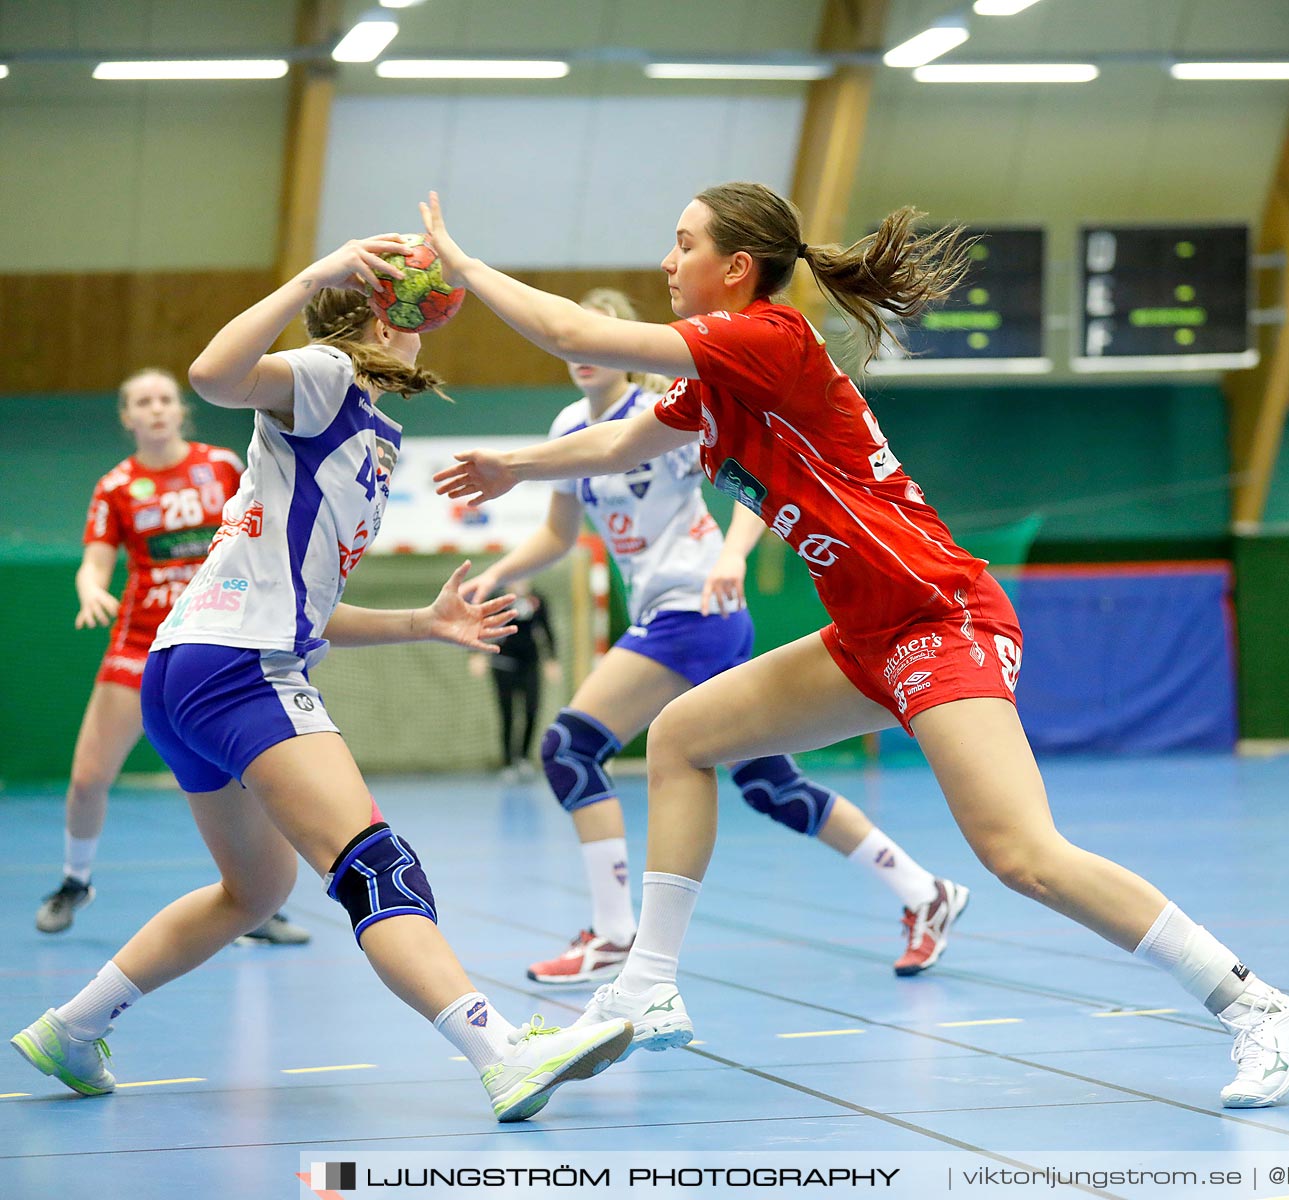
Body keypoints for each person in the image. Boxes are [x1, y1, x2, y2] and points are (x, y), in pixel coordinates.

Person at [425, 183, 1289, 1108]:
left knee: (1021, 854)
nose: (667, 260)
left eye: (681, 242)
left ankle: (1258, 1007)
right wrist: (515, 466)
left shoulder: (766, 340)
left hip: (942, 618)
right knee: (679, 739)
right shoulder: (717, 385)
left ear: (735, 270)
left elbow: (574, 336)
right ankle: (646, 984)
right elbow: (619, 443)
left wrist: (460, 265)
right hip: (867, 635)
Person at [10, 239, 631, 1121]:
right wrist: (311, 278)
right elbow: (214, 375)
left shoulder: (370, 425)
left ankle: (71, 1029)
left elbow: (305, 600)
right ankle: (501, 1053)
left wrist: (421, 623)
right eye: (413, 314)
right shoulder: (328, 376)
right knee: (375, 864)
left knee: (255, 890)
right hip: (237, 670)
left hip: (192, 667)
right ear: (387, 318)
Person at [465, 287, 969, 986]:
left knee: (570, 747)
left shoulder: (658, 413)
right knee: (767, 783)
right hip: (671, 615)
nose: (583, 358)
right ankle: (925, 892)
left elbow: (751, 485)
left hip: (695, 609)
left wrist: (732, 556)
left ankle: (614, 934)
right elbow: (557, 535)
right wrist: (492, 576)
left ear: (618, 347)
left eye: (599, 338)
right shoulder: (565, 425)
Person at [37, 367, 309, 948]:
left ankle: (261, 902)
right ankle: (74, 882)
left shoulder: (221, 467)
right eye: (143, 401)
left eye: (165, 398)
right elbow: (95, 559)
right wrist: (90, 588)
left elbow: (260, 535)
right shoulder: (116, 487)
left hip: (218, 640)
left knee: (253, 778)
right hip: (140, 644)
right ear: (128, 417)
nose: (156, 408)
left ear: (180, 410)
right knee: (87, 779)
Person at [469, 586, 558, 779]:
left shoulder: (537, 599)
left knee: (532, 709)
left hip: (530, 663)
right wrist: (476, 654)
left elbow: (546, 628)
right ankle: (508, 761)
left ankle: (523, 758)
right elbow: (481, 625)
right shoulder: (497, 599)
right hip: (503, 663)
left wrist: (551, 659)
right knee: (507, 712)